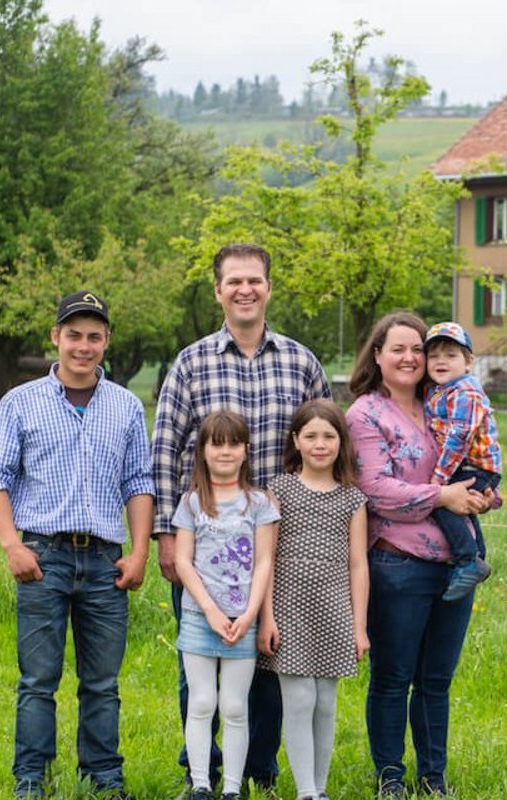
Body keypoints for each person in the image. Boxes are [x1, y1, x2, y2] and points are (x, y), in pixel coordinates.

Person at [153, 242, 333, 796]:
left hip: (280, 542)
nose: (245, 290)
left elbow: (326, 439)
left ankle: (257, 768)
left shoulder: (302, 362)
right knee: (201, 660)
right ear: (218, 291)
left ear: (269, 287)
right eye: (234, 281)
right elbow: (165, 447)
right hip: (203, 544)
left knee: (269, 657)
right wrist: (165, 533)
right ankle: (200, 773)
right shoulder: (192, 361)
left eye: (254, 280)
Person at [0, 290, 153, 800]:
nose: (83, 346)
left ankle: (104, 779)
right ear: (55, 338)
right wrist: (12, 545)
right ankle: (31, 779)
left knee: (102, 683)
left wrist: (139, 551)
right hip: (43, 556)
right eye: (73, 335)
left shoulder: (124, 406)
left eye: (94, 336)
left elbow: (138, 481)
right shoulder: (21, 402)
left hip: (103, 561)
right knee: (38, 680)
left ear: (106, 342)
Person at [345, 311, 496, 798]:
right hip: (397, 566)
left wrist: (482, 496)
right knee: (393, 677)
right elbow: (374, 488)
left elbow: (474, 460)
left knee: (436, 680)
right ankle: (390, 774)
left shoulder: (446, 400)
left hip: (455, 566)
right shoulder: (365, 413)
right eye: (400, 349)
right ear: (378, 355)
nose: (411, 358)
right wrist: (443, 497)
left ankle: (433, 776)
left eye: (419, 349)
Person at [257, 399, 369, 800]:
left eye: (329, 436)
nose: (320, 444)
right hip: (289, 606)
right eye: (311, 436)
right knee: (299, 697)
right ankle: (306, 790)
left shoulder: (352, 499)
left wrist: (359, 627)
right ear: (296, 441)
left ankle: (319, 787)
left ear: (341, 442)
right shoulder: (279, 489)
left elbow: (358, 564)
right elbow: (264, 558)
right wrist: (265, 616)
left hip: (334, 608)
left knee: (325, 701)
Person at [173, 410, 279, 800]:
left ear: (246, 451)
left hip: (244, 619)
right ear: (202, 450)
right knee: (202, 701)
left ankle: (233, 788)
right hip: (201, 619)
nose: (225, 451)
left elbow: (266, 561)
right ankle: (201, 783)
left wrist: (250, 614)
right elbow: (183, 561)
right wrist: (211, 611)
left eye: (234, 443)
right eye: (216, 443)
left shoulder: (260, 503)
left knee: (235, 706)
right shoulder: (191, 503)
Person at [422, 321, 503, 602]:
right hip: (473, 466)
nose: (441, 361)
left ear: (469, 362)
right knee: (462, 509)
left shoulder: (465, 392)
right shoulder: (442, 390)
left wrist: (439, 479)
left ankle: (468, 560)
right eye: (434, 356)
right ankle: (478, 556)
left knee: (444, 503)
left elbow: (460, 436)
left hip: (472, 466)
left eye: (451, 355)